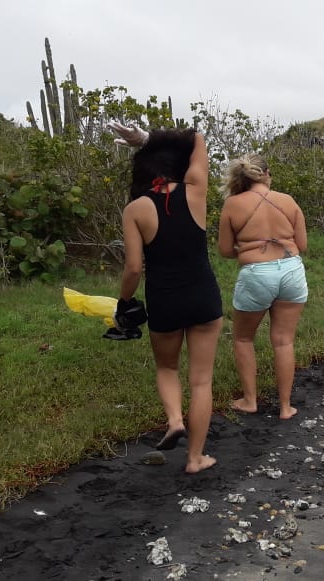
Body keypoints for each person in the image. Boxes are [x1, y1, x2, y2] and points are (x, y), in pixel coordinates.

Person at [110, 122, 222, 474]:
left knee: (167, 367)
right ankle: (195, 458)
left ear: (142, 168)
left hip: (163, 299)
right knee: (201, 380)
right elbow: (198, 138)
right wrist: (150, 138)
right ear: (180, 164)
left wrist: (123, 303)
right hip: (203, 294)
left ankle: (175, 419)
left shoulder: (135, 209)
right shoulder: (195, 190)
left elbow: (132, 269)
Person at [218, 154, 308, 421]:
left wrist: (249, 251)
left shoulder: (233, 204)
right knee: (284, 341)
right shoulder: (288, 201)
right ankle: (285, 407)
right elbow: (301, 244)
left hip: (257, 272)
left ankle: (250, 400)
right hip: (291, 269)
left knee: (244, 337)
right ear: (267, 174)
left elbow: (224, 250)